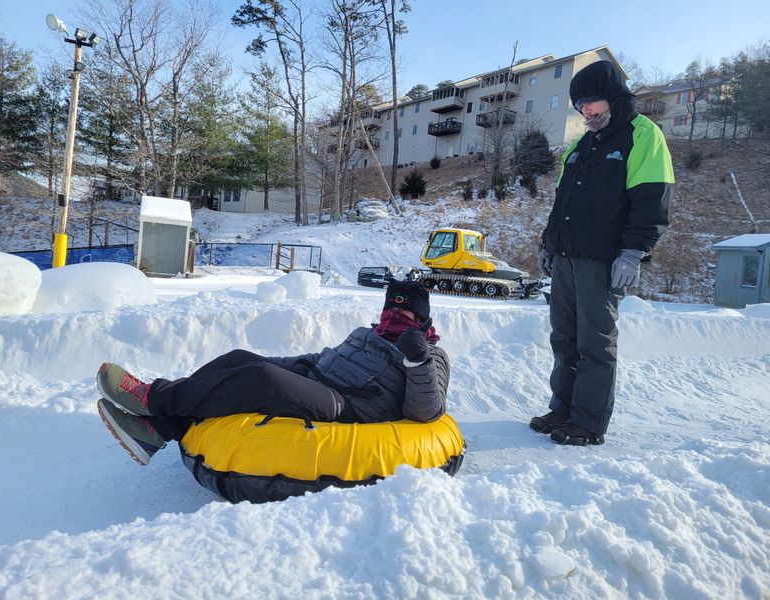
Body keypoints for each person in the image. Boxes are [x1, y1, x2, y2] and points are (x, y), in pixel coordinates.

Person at [97, 279, 450, 465]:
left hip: (348, 404)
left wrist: (416, 361)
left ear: (422, 320)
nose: (394, 316)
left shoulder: (431, 354)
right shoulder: (369, 334)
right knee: (241, 359)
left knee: (260, 381)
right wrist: (283, 363)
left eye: (405, 314)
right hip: (319, 377)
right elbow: (328, 356)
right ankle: (159, 429)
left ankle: (151, 398)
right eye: (391, 307)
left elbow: (426, 411)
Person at [531, 60, 674, 446]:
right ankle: (563, 409)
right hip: (566, 257)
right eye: (579, 106)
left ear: (612, 97)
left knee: (595, 342)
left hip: (602, 260)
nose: (585, 112)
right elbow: (562, 201)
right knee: (564, 338)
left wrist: (633, 253)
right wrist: (548, 243)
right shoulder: (579, 147)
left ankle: (588, 422)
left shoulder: (642, 135)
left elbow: (651, 200)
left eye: (590, 104)